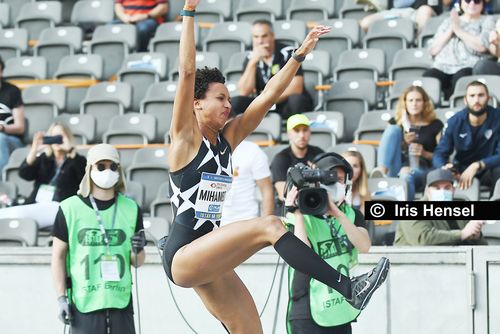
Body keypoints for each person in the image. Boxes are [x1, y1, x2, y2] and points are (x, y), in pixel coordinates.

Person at [161, 1, 389, 333]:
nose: (228, 104)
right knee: (270, 224)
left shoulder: (228, 140)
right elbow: (187, 71)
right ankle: (348, 288)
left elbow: (267, 96)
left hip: (210, 253)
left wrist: (299, 55)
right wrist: (189, 11)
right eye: (220, 98)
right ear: (197, 103)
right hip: (183, 255)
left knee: (251, 329)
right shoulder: (183, 139)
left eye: (229, 99)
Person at [51, 144, 146, 334]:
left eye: (113, 167)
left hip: (120, 301)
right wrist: (61, 298)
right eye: (101, 166)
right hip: (83, 301)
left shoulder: (131, 208)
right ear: (90, 169)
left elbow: (138, 262)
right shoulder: (69, 209)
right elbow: (58, 257)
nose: (107, 171)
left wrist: (138, 250)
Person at [284, 152, 372, 334]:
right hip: (307, 309)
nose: (335, 185)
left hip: (341, 309)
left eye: (339, 180)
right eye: (330, 180)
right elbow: (301, 256)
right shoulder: (301, 216)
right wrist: (298, 213)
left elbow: (364, 246)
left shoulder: (351, 214)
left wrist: (337, 214)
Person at [0, 122, 86, 228]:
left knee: (18, 214)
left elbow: (83, 177)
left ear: (67, 138)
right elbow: (24, 174)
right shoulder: (44, 158)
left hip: (61, 207)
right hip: (38, 204)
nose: (57, 140)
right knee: (6, 214)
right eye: (53, 136)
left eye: (60, 136)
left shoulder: (78, 160)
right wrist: (34, 149)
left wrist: (71, 150)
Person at [232, 19, 313, 118]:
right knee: (236, 102)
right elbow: (244, 91)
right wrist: (253, 62)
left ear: (272, 36)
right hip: (262, 105)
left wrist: (268, 98)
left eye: (264, 36)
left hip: (283, 102)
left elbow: (296, 88)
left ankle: (294, 132)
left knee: (296, 100)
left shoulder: (288, 53)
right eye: (256, 37)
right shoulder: (250, 58)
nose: (260, 41)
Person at [374, 85, 443, 200]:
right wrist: (403, 143)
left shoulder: (435, 124)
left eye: (418, 100)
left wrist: (424, 153)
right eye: (410, 100)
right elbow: (388, 148)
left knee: (406, 176)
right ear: (404, 103)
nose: (414, 104)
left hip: (422, 169)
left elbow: (442, 156)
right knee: (393, 129)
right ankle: (381, 172)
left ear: (425, 103)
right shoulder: (396, 122)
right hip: (396, 166)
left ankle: (407, 216)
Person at [433, 80, 500, 193]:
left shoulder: (498, 118)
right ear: (465, 100)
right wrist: (445, 167)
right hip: (461, 170)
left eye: (481, 95)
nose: (476, 100)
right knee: (437, 173)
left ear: (488, 98)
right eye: (472, 96)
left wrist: (478, 165)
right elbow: (440, 153)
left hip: (489, 168)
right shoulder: (455, 121)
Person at [394, 168, 487, 245]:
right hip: (412, 264)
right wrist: (462, 234)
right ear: (427, 191)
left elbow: (483, 248)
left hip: (453, 263)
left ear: (453, 190)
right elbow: (423, 239)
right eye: (436, 188)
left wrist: (476, 237)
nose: (442, 192)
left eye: (447, 188)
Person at [423, 1, 494, 99]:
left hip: (467, 65)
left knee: (461, 78)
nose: (472, 4)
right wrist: (451, 29)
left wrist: (459, 31)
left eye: (477, 1)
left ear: (483, 4)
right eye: (468, 0)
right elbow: (433, 49)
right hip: (442, 66)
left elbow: (482, 46)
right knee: (429, 77)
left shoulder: (487, 20)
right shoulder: (449, 21)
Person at [271, 114, 324, 202]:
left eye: (305, 130)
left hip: (316, 203)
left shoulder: (319, 153)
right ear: (289, 134)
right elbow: (283, 193)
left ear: (310, 132)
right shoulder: (281, 158)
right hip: (291, 209)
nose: (302, 135)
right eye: (297, 131)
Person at [221, 138, 274, 225]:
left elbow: (266, 190)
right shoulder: (207, 148)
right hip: (214, 225)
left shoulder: (253, 151)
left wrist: (266, 226)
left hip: (246, 222)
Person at [0, 56, 25, 172]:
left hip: (11, 139)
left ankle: (2, 182)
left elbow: (20, 127)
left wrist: (2, 128)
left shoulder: (12, 91)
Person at [359, 0, 442, 34]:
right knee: (365, 23)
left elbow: (436, 6)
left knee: (425, 10)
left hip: (416, 12)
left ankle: (419, 44)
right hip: (393, 12)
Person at [342, 150, 371, 214]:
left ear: (361, 170)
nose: (351, 169)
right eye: (347, 165)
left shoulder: (365, 194)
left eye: (355, 166)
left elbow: (363, 222)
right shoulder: (333, 191)